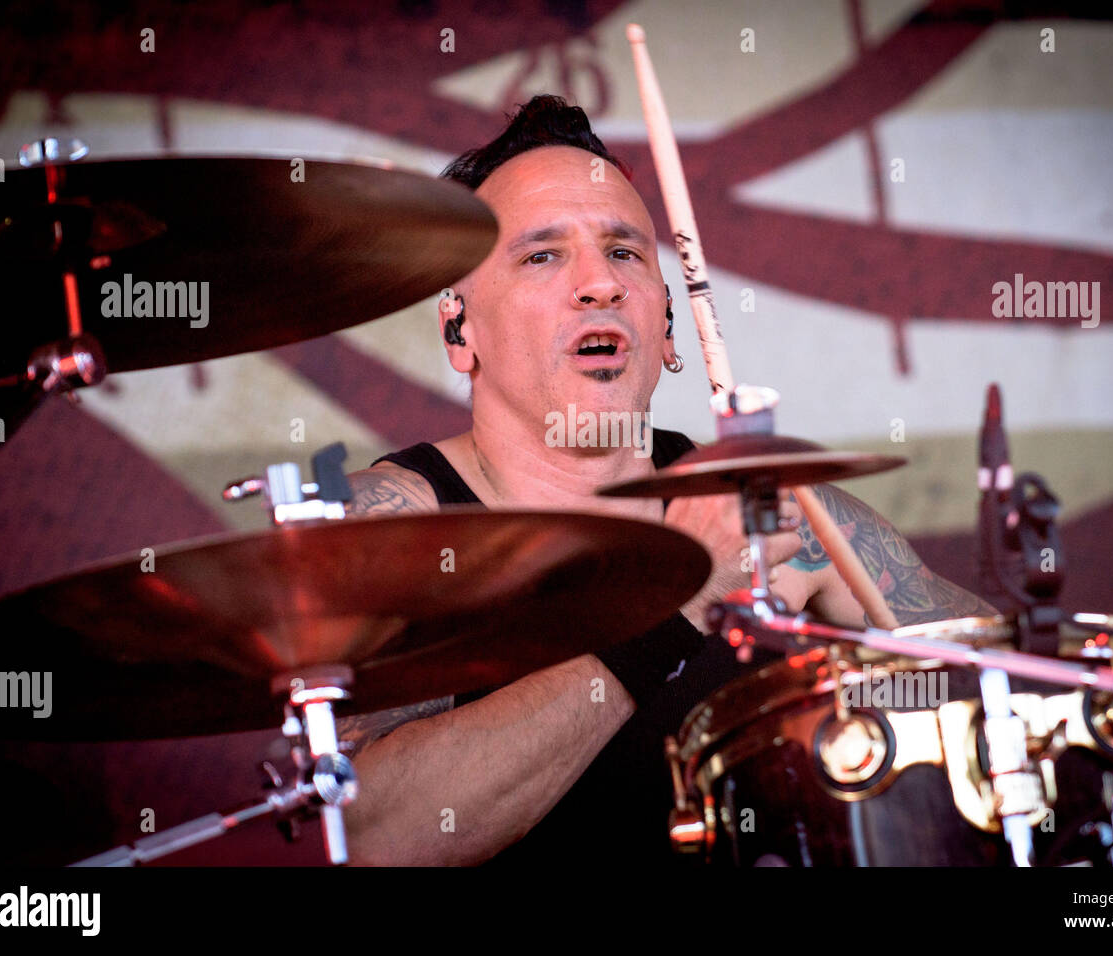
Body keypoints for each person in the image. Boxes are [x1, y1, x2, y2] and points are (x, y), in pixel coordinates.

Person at [338, 95, 993, 866]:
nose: (599, 285)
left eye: (625, 253)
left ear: (670, 328)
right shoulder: (397, 524)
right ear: (459, 330)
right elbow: (379, 835)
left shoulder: (768, 509)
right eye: (542, 255)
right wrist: (681, 598)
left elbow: (1022, 688)